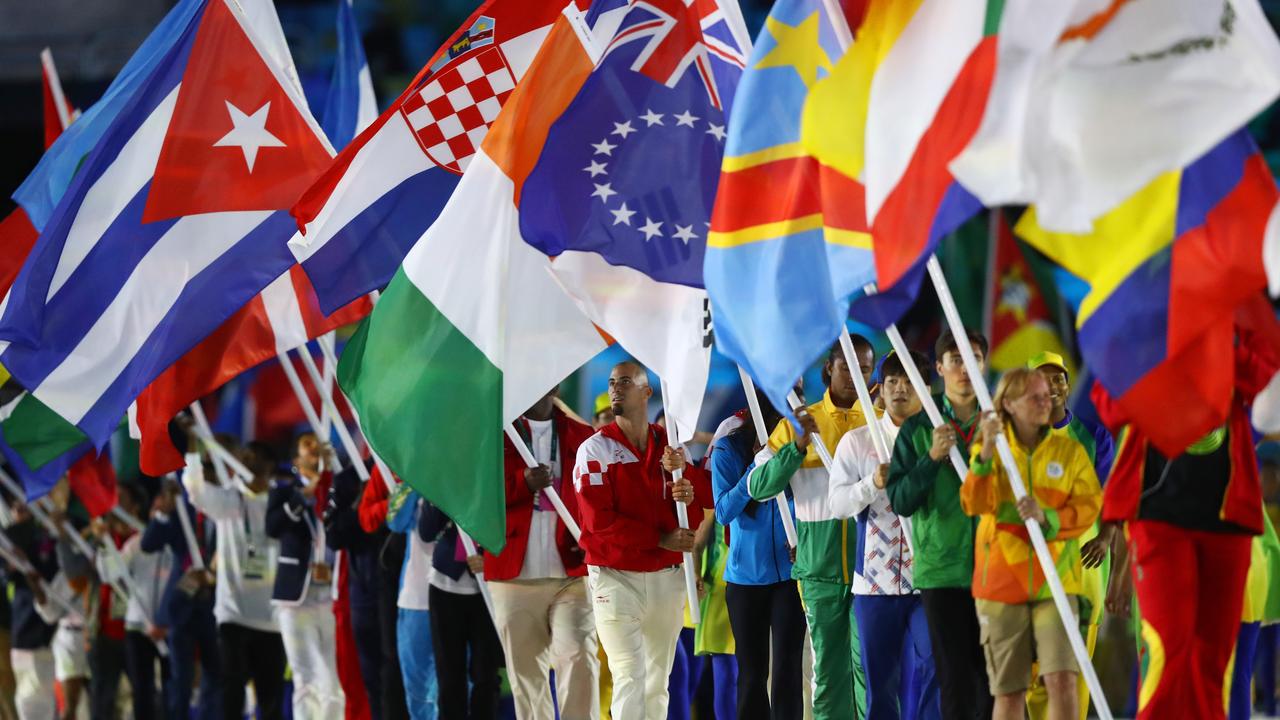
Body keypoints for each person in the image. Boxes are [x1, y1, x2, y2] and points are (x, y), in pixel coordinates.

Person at [1094, 331, 1279, 719]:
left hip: (1227, 524)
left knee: (1213, 662)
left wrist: (1232, 342)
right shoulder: (1143, 338)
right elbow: (1110, 406)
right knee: (1170, 649)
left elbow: (1269, 407)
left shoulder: (1238, 337)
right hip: (1159, 520)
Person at [573, 361, 713, 719]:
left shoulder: (671, 450)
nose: (615, 388)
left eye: (625, 382)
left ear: (647, 392)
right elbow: (597, 522)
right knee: (630, 676)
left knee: (656, 682)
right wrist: (661, 538)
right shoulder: (594, 452)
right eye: (611, 383)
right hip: (615, 578)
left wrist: (686, 483)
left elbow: (703, 505)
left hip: (666, 578)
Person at [960, 368, 1101, 720]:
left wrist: (1048, 518)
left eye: (1047, 395)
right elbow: (974, 504)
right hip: (1001, 588)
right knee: (1010, 692)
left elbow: (1089, 507)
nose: (1046, 401)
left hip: (1056, 584)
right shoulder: (988, 448)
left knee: (1062, 681)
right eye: (1035, 397)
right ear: (1008, 403)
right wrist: (988, 451)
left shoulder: (1069, 452)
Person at [747, 339, 875, 720]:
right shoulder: (798, 425)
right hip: (820, 573)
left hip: (875, 569)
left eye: (864, 370)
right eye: (845, 369)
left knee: (871, 670)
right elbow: (758, 486)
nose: (854, 377)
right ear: (828, 371)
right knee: (829, 676)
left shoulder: (882, 423)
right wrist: (797, 448)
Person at [885, 328, 994, 720]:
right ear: (940, 368)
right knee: (955, 684)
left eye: (974, 358)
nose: (965, 368)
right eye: (956, 359)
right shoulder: (918, 428)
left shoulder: (1002, 425)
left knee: (998, 684)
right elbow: (901, 500)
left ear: (985, 365)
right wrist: (931, 458)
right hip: (942, 574)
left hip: (998, 571)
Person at [829, 349, 940, 720]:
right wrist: (870, 483)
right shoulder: (858, 442)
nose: (899, 389)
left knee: (936, 666)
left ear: (927, 388)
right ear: (879, 388)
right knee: (879, 686)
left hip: (929, 580)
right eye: (892, 381)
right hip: (874, 586)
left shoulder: (941, 442)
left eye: (909, 381)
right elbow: (838, 506)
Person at [486, 387, 599, 720]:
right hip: (513, 574)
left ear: (556, 386)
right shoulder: (495, 433)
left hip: (571, 571)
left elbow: (600, 495)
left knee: (578, 655)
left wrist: (592, 535)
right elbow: (478, 493)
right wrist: (521, 481)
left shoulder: (582, 435)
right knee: (526, 677)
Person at [1026, 351, 1116, 720]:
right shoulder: (1016, 440)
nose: (1052, 386)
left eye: (1059, 377)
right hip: (1031, 569)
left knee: (1077, 667)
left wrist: (1106, 539)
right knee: (1034, 673)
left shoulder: (1094, 437)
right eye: (1042, 378)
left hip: (1085, 565)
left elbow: (1114, 501)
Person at [711, 393, 802, 720]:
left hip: (791, 575)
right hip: (746, 580)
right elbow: (723, 511)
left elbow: (812, 500)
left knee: (789, 670)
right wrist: (758, 466)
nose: (797, 404)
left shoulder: (799, 444)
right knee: (752, 675)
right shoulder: (727, 448)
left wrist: (803, 539)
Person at [182, 436, 286, 720]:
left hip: (272, 618)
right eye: (245, 458)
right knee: (232, 690)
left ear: (270, 467)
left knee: (270, 696)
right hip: (233, 614)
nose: (249, 464)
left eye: (256, 459)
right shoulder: (229, 499)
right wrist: (193, 450)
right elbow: (195, 491)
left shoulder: (281, 503)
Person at [265, 433, 345, 719]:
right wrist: (302, 497)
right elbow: (272, 527)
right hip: (294, 597)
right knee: (304, 675)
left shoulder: (334, 490)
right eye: (307, 449)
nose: (314, 454)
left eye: (318, 449)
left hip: (329, 595)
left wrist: (329, 475)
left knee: (333, 674)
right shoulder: (285, 490)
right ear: (296, 460)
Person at [141, 475, 221, 720]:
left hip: (216, 606)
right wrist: (164, 513)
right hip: (180, 608)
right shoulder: (181, 513)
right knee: (181, 679)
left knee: (216, 676)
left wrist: (212, 574)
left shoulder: (224, 512)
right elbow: (148, 544)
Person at [418, 502, 501, 720]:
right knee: (449, 676)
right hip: (444, 587)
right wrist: (442, 490)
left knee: (486, 675)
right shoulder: (444, 477)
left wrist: (491, 561)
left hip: (489, 589)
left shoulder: (495, 475)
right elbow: (426, 531)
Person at [325, 460, 383, 719]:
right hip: (365, 593)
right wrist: (360, 503)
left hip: (405, 590)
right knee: (370, 677)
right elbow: (334, 537)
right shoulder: (348, 478)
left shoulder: (407, 467)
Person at [383, 473, 439, 720]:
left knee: (457, 684)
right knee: (417, 688)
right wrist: (416, 481)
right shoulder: (410, 481)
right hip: (416, 597)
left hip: (460, 592)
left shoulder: (462, 476)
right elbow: (395, 521)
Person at [357, 467, 410, 720]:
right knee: (393, 659)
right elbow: (366, 519)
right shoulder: (385, 466)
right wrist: (394, 503)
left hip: (441, 574)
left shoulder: (437, 453)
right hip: (393, 574)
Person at [117, 486, 175, 720]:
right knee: (142, 690)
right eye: (156, 509)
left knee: (173, 688)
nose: (160, 514)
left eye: (166, 509)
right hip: (138, 627)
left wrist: (167, 621)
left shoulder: (182, 544)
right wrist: (104, 547)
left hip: (169, 628)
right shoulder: (136, 543)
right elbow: (111, 572)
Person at [6, 501, 60, 719]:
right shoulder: (8, 536)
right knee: (26, 699)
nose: (20, 509)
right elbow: (8, 575)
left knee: (43, 700)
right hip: (21, 631)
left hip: (47, 632)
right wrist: (12, 562)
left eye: (23, 505)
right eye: (15, 506)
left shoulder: (46, 535)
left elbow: (52, 572)